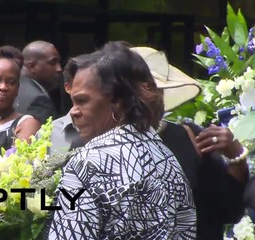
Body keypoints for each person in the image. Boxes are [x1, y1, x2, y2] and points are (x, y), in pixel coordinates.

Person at [47, 43, 196, 239]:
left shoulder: (88, 163)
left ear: (117, 100)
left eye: (82, 101)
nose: (73, 111)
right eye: (73, 102)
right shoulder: (168, 158)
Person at [131, 46, 248, 240]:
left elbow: (229, 209)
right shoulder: (95, 149)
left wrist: (236, 156)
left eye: (157, 89)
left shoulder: (189, 136)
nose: (153, 98)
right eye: (143, 89)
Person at [0, 46, 41, 161]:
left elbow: (15, 168)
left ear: (17, 88)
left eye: (11, 82)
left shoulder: (26, 124)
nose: (3, 87)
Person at [14, 40, 62, 124]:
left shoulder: (12, 87)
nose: (59, 69)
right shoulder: (38, 100)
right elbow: (44, 136)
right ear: (31, 66)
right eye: (52, 62)